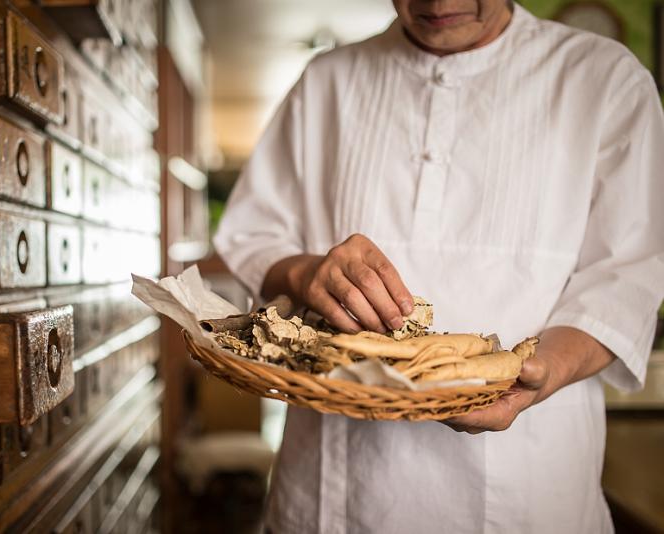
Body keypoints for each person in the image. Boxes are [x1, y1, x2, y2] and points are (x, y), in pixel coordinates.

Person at [212, 0, 664, 532]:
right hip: (329, 494)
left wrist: (542, 375)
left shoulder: (604, 78)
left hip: (528, 488)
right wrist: (304, 272)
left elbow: (628, 276)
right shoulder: (326, 80)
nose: (439, 4)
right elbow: (253, 234)